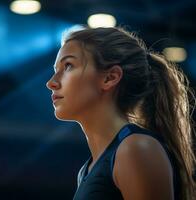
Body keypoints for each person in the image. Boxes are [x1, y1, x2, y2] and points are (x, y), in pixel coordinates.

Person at [46, 26, 196, 200]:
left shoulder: (137, 148)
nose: (52, 82)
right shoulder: (88, 169)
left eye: (68, 66)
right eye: (56, 70)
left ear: (110, 78)